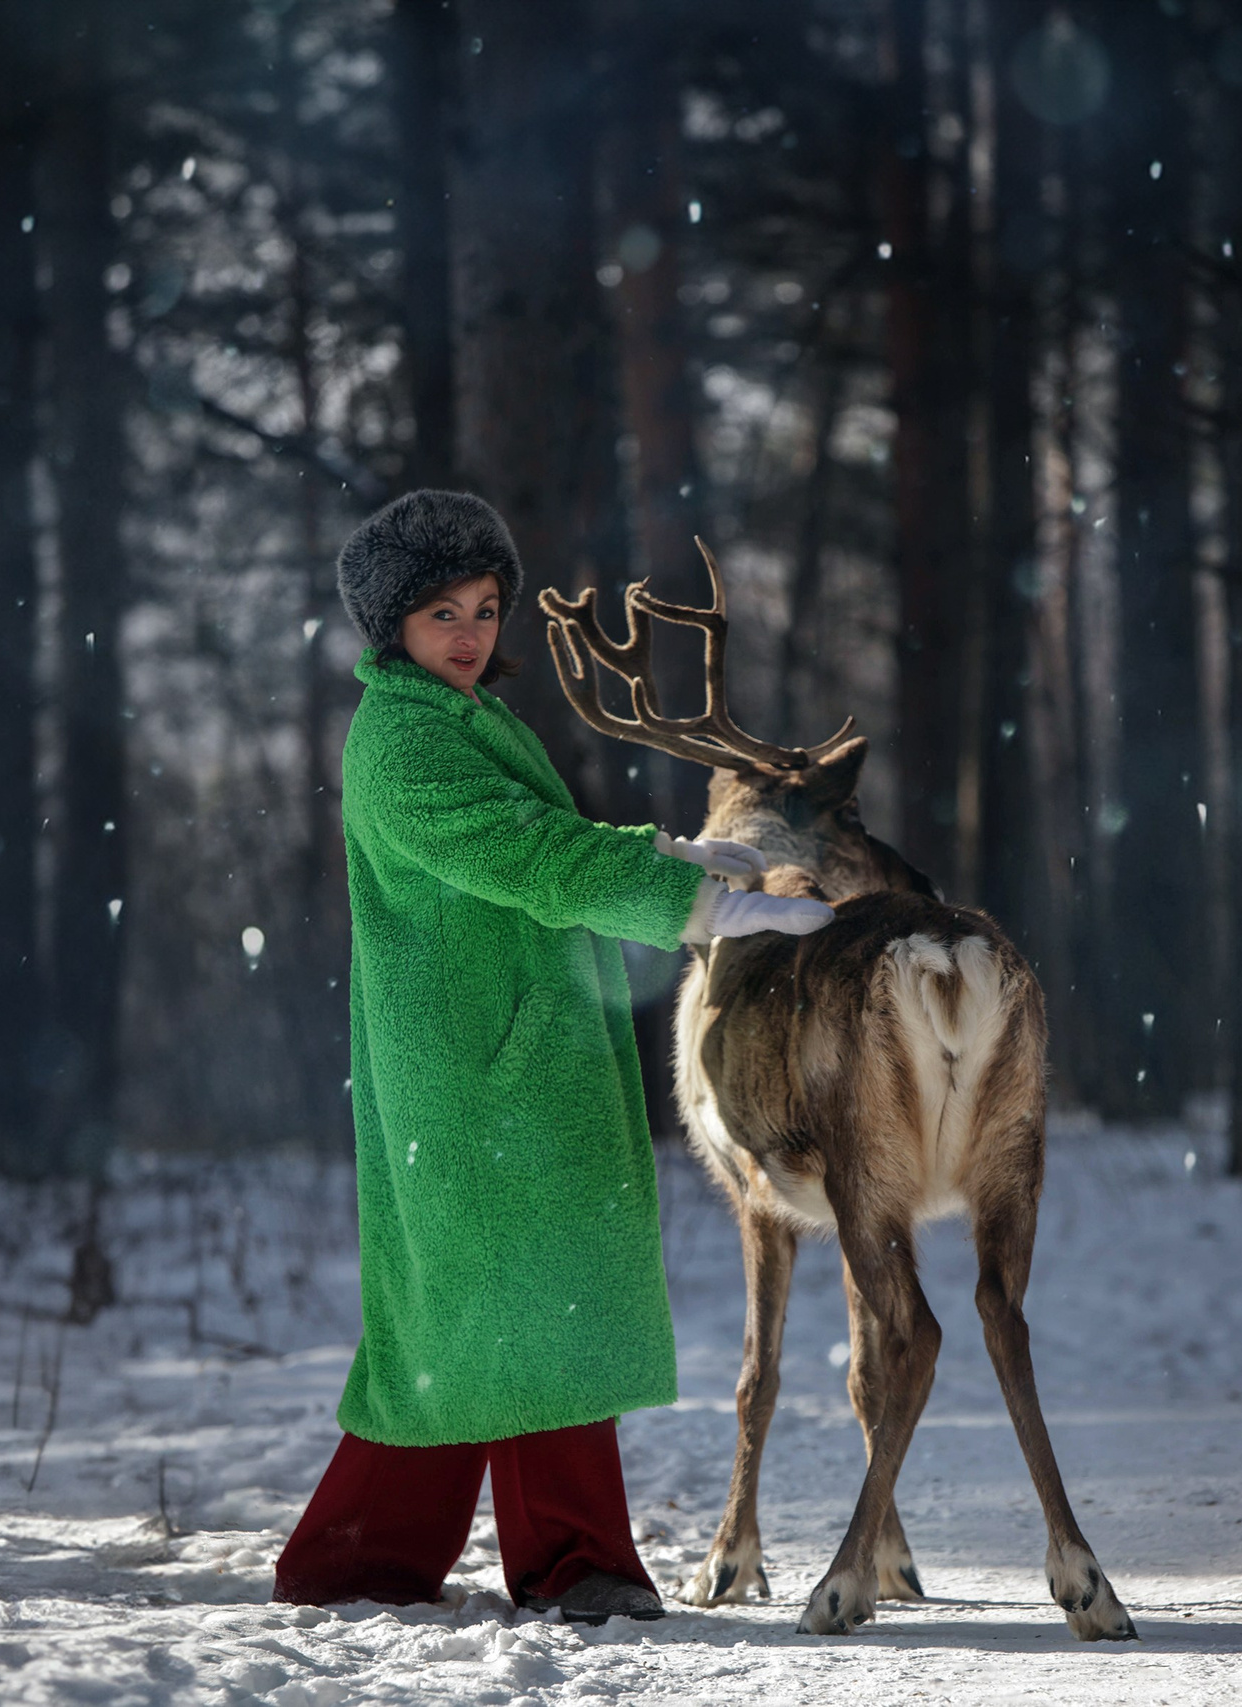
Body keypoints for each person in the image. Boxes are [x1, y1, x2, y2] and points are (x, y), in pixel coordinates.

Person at [270, 489, 835, 1623]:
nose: (471, 634)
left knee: (499, 1316)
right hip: (469, 1076)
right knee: (509, 1309)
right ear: (390, 626)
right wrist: (700, 907)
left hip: (509, 1065)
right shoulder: (402, 741)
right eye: (443, 613)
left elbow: (547, 841)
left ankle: (383, 1562)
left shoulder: (463, 716)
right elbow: (528, 858)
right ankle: (549, 1562)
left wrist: (675, 853)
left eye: (485, 607)